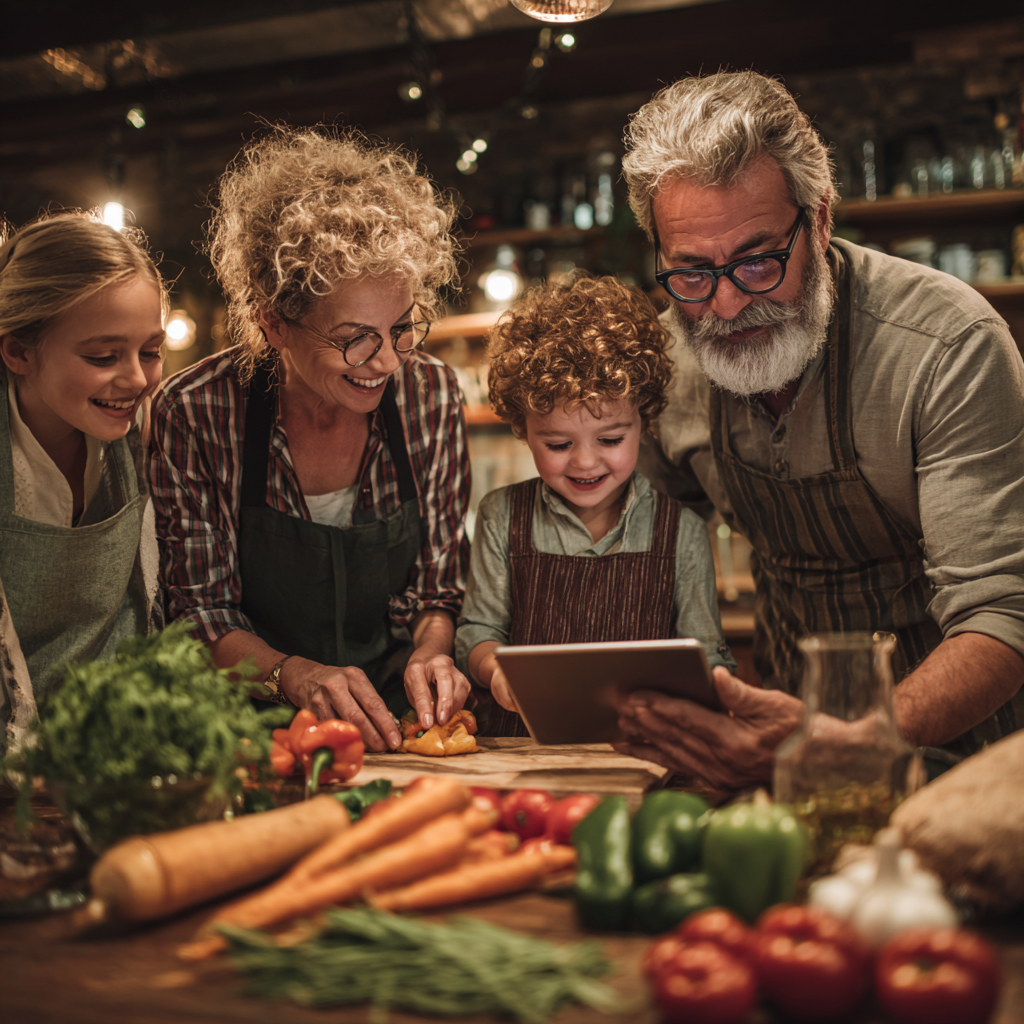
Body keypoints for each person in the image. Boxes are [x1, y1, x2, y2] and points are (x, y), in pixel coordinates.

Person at [613, 70, 1024, 795]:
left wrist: (839, 741)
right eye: (691, 272)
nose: (726, 304)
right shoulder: (665, 363)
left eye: (758, 260)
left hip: (968, 760)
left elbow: (1002, 614)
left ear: (821, 218)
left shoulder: (947, 346)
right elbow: (643, 552)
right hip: (780, 740)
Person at [150, 126, 471, 753]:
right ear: (274, 324)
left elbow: (436, 588)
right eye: (355, 338)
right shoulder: (195, 412)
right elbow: (200, 614)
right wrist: (294, 676)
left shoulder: (431, 394)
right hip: (249, 737)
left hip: (399, 726)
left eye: (402, 328)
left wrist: (432, 652)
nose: (388, 362)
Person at [456, 273, 734, 735]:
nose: (585, 462)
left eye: (610, 439)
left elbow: (707, 654)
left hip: (647, 748)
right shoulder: (501, 516)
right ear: (524, 430)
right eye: (558, 444)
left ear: (645, 420)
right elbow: (477, 632)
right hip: (523, 749)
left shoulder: (681, 530)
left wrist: (717, 690)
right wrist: (495, 669)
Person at [0, 212, 165, 751]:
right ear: (18, 351)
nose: (137, 379)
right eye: (103, 356)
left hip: (110, 755)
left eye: (150, 351)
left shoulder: (143, 442)